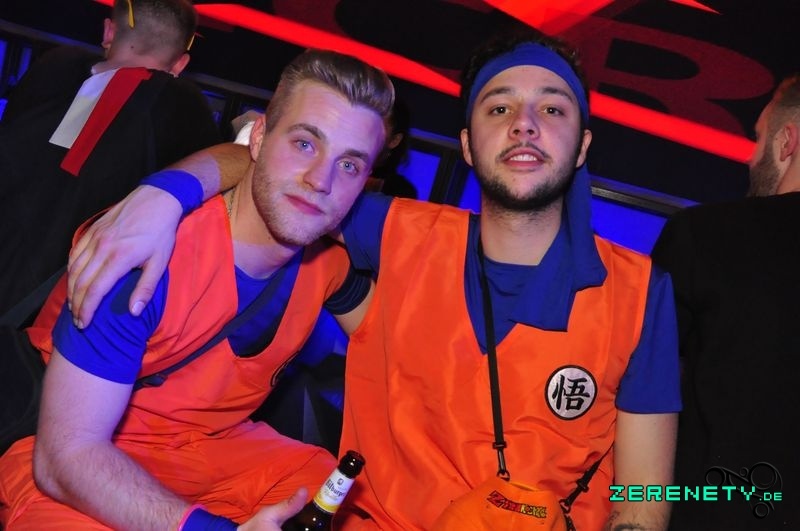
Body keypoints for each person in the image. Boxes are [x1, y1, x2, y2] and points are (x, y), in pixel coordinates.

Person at [63, 29, 681, 530]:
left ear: (582, 146)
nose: (525, 124)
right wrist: (167, 192)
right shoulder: (395, 231)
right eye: (499, 107)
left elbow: (646, 495)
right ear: (468, 145)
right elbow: (278, 170)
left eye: (551, 107)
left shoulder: (639, 293)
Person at [0, 49, 393, 529]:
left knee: (359, 504)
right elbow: (65, 459)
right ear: (260, 138)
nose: (320, 181)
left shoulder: (328, 260)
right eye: (305, 144)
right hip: (88, 452)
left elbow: (392, 344)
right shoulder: (145, 259)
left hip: (214, 453)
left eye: (349, 165)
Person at [0, 0, 220, 318]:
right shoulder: (185, 107)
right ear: (181, 63)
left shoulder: (54, 67)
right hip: (66, 309)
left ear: (108, 32)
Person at [651, 74, 800, 530]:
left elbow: (639, 385)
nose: (751, 157)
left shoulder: (706, 235)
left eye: (759, 138)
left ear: (787, 141)